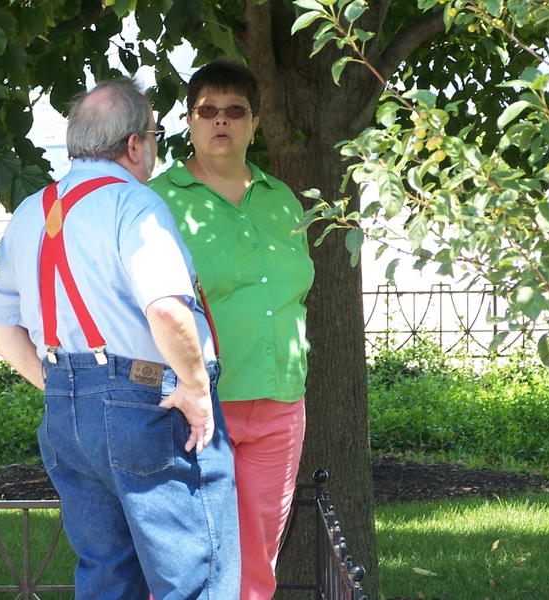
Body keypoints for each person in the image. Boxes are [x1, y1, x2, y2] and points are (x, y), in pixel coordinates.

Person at [0, 78, 240, 600]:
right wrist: (194, 391)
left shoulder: (31, 212)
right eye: (155, 136)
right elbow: (165, 307)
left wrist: (54, 382)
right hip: (148, 406)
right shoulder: (133, 204)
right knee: (196, 577)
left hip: (68, 415)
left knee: (107, 575)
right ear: (135, 143)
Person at [149, 59, 315, 600]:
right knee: (187, 557)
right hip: (197, 406)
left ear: (254, 123)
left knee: (257, 558)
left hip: (279, 403)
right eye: (208, 111)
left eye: (235, 111)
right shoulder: (159, 202)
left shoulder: (282, 199)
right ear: (190, 121)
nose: (221, 121)